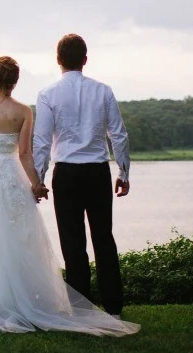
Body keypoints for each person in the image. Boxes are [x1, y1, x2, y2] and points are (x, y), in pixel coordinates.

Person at [0, 56, 138, 335]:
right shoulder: (28, 110)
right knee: (99, 236)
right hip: (93, 171)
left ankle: (77, 303)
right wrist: (37, 182)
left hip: (4, 176)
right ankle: (111, 304)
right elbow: (26, 152)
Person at [33, 34, 130, 318]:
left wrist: (39, 179)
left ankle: (81, 309)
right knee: (104, 239)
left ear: (58, 60)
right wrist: (123, 171)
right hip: (98, 172)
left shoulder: (48, 94)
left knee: (72, 243)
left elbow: (41, 141)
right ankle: (113, 307)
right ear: (85, 60)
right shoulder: (103, 91)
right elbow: (118, 135)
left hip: (66, 174)